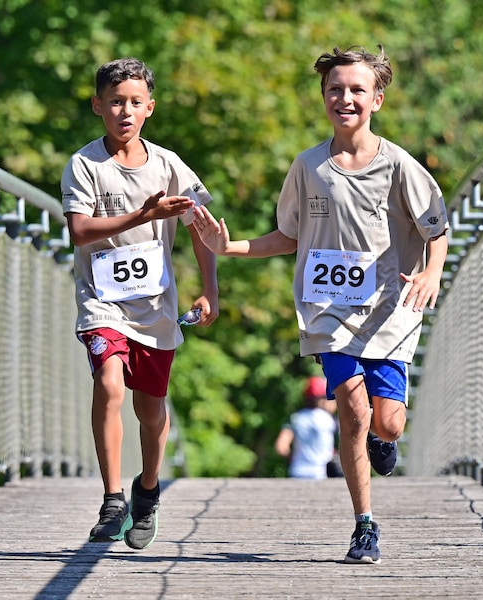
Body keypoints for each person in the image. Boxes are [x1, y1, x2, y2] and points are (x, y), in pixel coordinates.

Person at [192, 45, 449, 564]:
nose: (345, 98)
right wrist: (231, 247)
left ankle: (384, 439)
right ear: (323, 97)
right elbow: (288, 235)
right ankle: (364, 525)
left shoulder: (400, 166)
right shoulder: (308, 166)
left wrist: (431, 272)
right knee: (351, 408)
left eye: (357, 90)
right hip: (328, 310)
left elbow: (437, 229)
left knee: (388, 423)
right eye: (335, 89)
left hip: (390, 312)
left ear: (377, 98)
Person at [61, 57, 219, 550]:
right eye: (114, 102)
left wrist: (210, 287)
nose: (124, 111)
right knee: (109, 382)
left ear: (149, 107)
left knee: (151, 410)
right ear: (97, 106)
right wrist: (141, 215)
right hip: (102, 302)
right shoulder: (85, 164)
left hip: (155, 308)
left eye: (134, 102)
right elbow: (79, 230)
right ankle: (113, 499)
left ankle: (147, 490)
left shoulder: (169, 165)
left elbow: (201, 227)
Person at [275, 376, 339, 479]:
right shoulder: (329, 420)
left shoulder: (295, 418)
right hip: (322, 473)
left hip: (297, 471)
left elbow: (281, 447)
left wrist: (294, 459)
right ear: (322, 399)